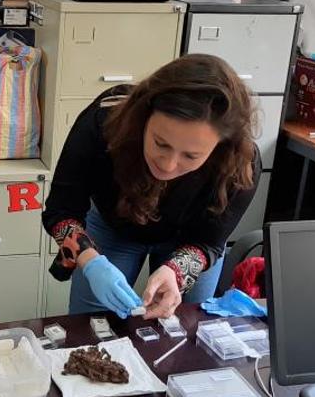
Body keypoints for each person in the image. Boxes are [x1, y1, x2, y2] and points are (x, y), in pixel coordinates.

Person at [44, 54, 260, 320]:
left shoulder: (239, 163)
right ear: (143, 117)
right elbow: (61, 208)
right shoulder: (104, 123)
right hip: (113, 226)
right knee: (91, 325)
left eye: (191, 156)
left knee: (184, 330)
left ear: (220, 147)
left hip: (189, 238)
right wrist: (90, 261)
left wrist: (176, 270)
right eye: (160, 143)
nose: (169, 165)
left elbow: (209, 240)